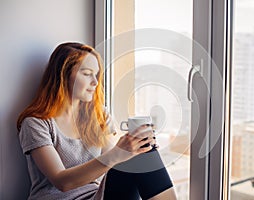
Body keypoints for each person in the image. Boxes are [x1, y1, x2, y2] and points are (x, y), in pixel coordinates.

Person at [17, 42, 177, 200]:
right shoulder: (35, 123)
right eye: (87, 74)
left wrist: (134, 148)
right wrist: (118, 153)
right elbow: (62, 182)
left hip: (97, 195)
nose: (95, 82)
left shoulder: (98, 115)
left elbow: (112, 162)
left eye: (96, 74)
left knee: (141, 154)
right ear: (63, 75)